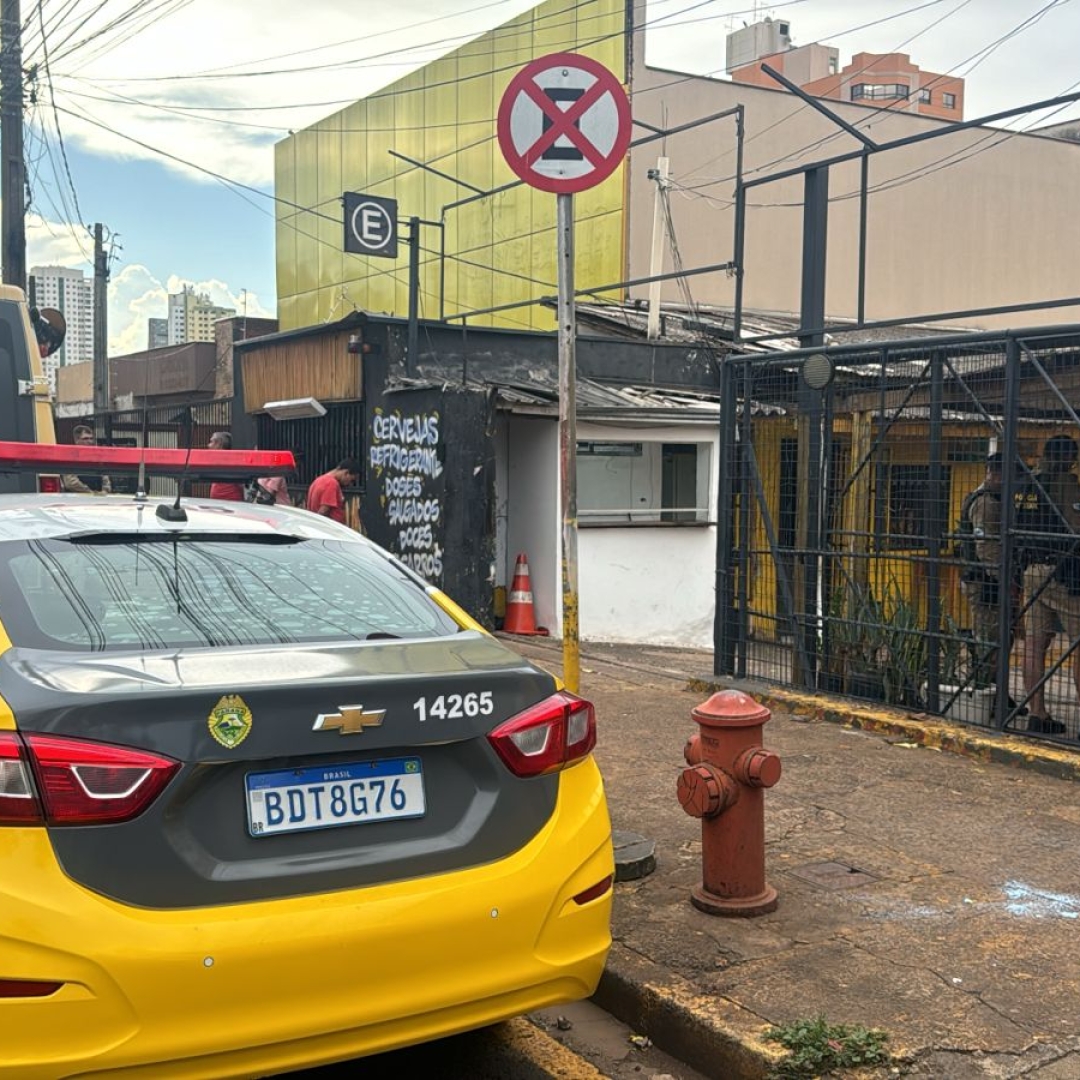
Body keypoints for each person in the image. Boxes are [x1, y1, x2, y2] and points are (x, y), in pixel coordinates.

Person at [1017, 435, 1080, 735]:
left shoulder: (1027, 483)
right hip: (1060, 572)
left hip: (1030, 569)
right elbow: (1076, 527)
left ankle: (1037, 713)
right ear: (1067, 457)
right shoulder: (1064, 483)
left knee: (1034, 644)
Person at [959, 452, 1018, 691]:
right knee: (989, 641)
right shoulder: (985, 502)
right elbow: (986, 548)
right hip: (985, 581)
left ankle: (997, 691)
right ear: (996, 473)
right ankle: (986, 692)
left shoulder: (995, 498)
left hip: (988, 579)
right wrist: (1006, 580)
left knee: (1003, 638)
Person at [305, 458, 360, 525]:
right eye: (352, 480)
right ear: (346, 473)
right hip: (329, 529)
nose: (350, 484)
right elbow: (324, 510)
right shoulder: (331, 483)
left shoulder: (318, 480)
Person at [62, 425, 111, 495]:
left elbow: (105, 478)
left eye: (91, 438)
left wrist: (105, 491)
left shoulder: (97, 458)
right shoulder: (69, 458)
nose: (90, 441)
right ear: (77, 440)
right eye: (86, 438)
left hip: (98, 497)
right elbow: (70, 482)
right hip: (76, 499)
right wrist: (89, 492)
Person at [207, 431, 245, 501]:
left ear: (219, 443)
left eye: (211, 442)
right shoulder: (221, 459)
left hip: (231, 501)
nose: (209, 445)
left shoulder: (228, 459)